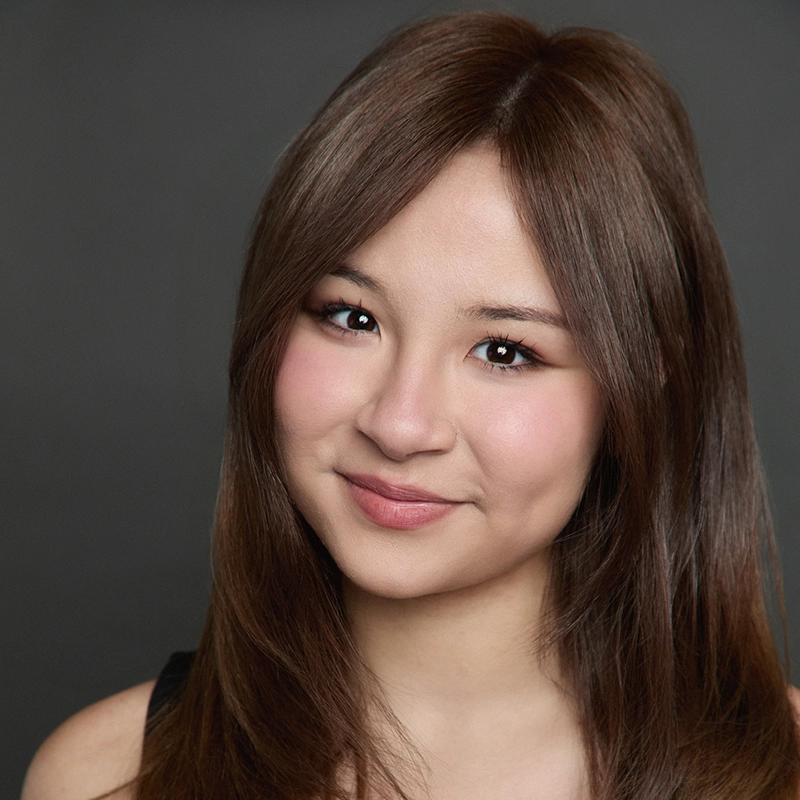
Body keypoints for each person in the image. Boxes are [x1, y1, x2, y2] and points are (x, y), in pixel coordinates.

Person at [21, 11, 800, 800]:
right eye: (351, 317)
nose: (398, 424)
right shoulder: (108, 778)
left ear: (643, 383)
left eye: (506, 351)